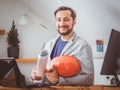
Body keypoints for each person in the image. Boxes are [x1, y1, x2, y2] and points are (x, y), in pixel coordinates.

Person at [31, 6, 94, 86]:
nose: (62, 24)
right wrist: (35, 76)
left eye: (66, 19)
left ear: (74, 21)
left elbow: (89, 79)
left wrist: (59, 80)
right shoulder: (49, 44)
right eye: (58, 20)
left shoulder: (83, 46)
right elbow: (46, 74)